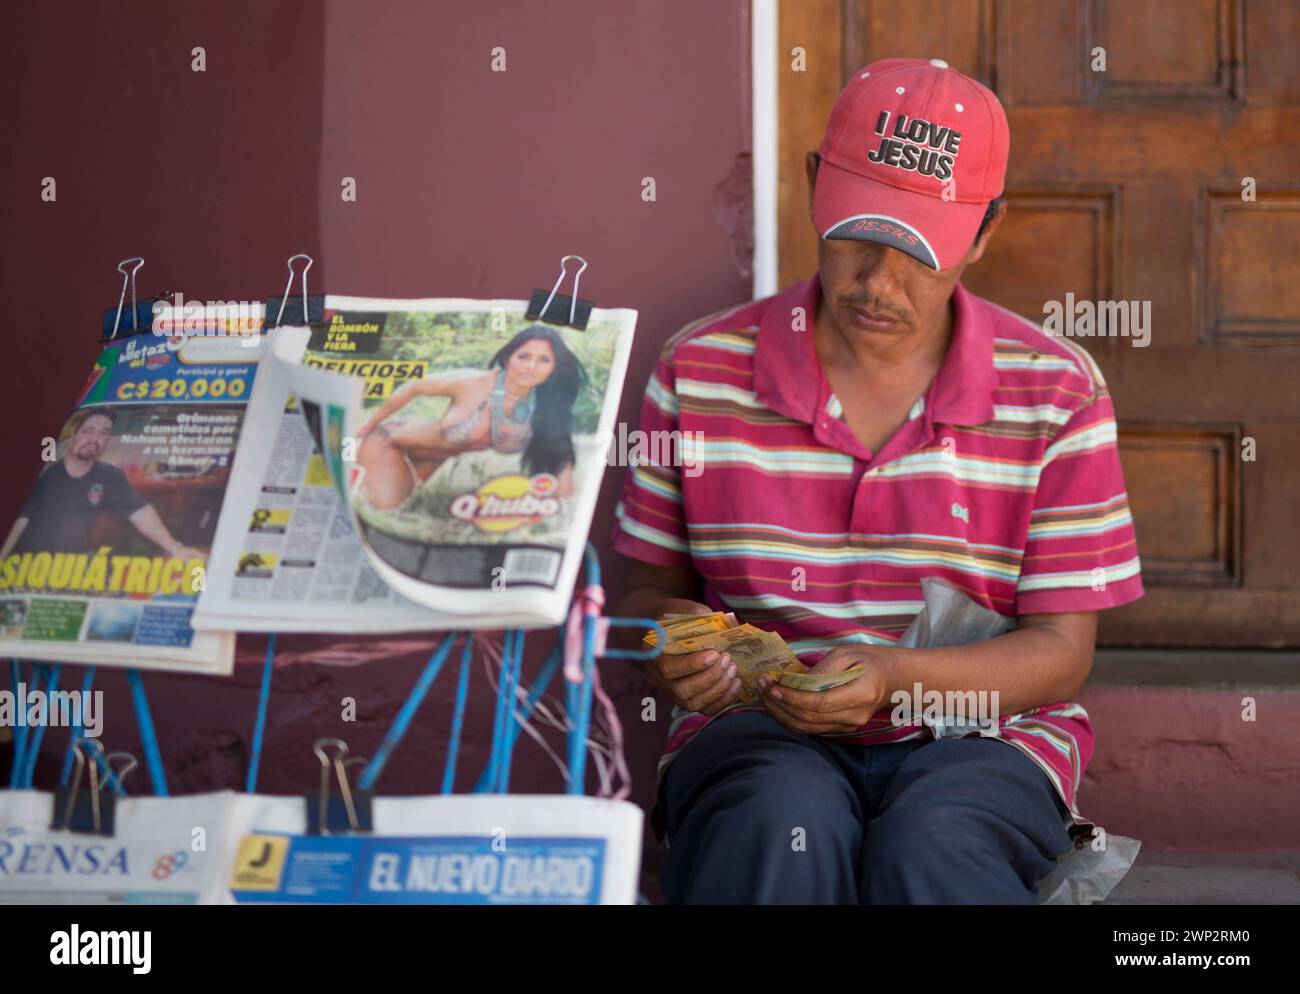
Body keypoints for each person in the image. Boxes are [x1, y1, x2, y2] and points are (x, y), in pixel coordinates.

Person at [611, 58, 1145, 904]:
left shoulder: (1056, 389)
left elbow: (1061, 654)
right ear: (815, 184)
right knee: (775, 824)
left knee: (935, 847)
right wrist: (668, 645)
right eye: (857, 237)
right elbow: (642, 599)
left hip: (983, 731)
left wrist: (898, 678)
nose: (876, 284)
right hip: (756, 730)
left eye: (918, 254)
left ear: (984, 232)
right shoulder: (698, 370)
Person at [355, 324, 586, 508]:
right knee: (382, 513)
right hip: (389, 443)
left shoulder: (547, 407)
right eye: (524, 356)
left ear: (554, 367)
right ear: (508, 358)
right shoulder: (472, 382)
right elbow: (413, 387)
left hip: (429, 460)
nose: (531, 366)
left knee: (406, 515)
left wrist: (563, 511)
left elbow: (560, 459)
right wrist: (370, 424)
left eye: (544, 360)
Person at [0, 408, 203, 561]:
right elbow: (20, 523)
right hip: (30, 564)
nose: (95, 439)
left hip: (76, 565)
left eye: (104, 433)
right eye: (88, 431)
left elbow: (140, 511)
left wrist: (175, 548)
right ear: (72, 437)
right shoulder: (48, 475)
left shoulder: (109, 475)